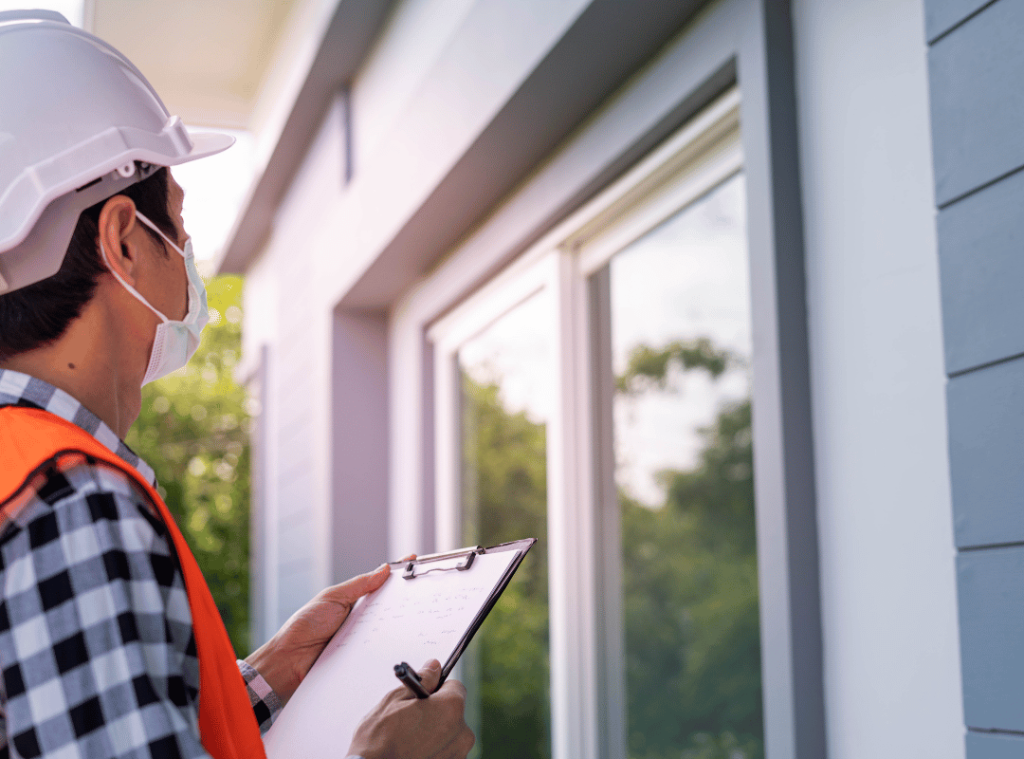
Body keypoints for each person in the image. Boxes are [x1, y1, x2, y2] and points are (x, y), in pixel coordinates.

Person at [0, 10, 474, 759]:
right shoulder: (68, 501)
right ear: (124, 239)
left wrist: (268, 675)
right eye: (178, 225)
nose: (187, 252)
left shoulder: (21, 476)